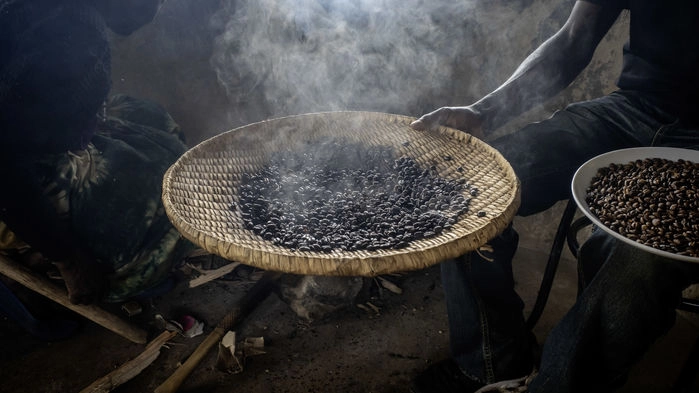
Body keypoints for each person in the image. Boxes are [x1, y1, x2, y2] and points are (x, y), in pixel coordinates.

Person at [409, 1, 699, 392]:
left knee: (634, 258)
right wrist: (484, 112)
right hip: (630, 110)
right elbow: (574, 38)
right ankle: (494, 363)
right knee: (469, 187)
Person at [0, 0, 194, 307]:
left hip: (42, 126)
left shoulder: (68, 20)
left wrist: (85, 111)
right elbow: (7, 174)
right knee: (152, 193)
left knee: (158, 126)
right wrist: (67, 258)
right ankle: (127, 269)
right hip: (13, 177)